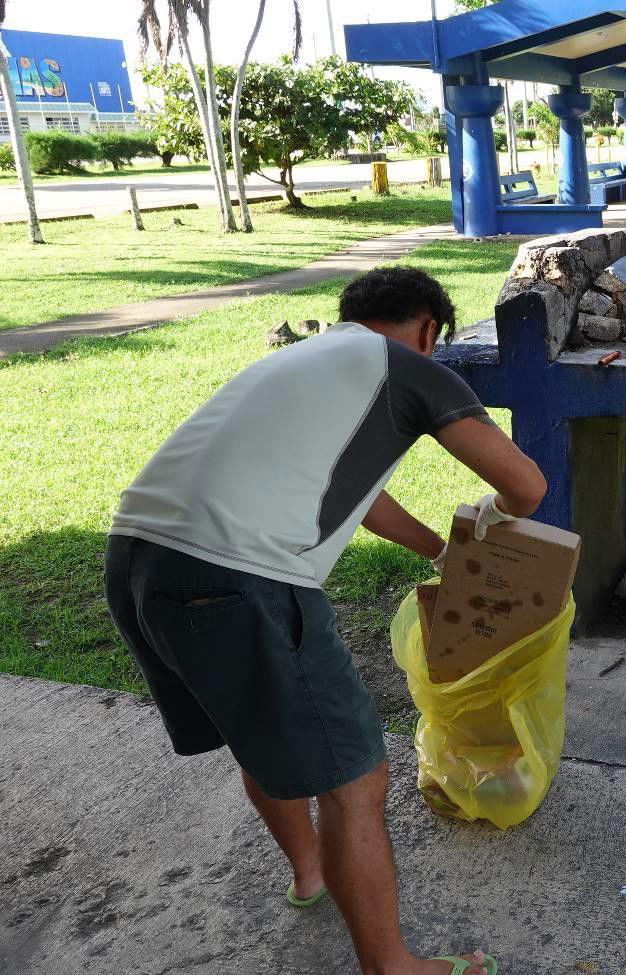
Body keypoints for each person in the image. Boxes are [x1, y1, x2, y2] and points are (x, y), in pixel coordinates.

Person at [104, 266, 544, 975]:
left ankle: (310, 873)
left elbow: (360, 497)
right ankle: (392, 966)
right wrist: (485, 525)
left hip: (136, 558)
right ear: (429, 330)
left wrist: (440, 550)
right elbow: (526, 486)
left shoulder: (303, 359)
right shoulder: (408, 367)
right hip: (238, 574)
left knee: (253, 730)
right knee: (357, 779)